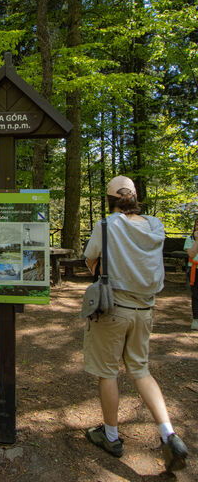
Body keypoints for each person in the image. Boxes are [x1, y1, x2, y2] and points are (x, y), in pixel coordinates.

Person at [83, 175, 188, 473]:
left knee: (107, 372)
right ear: (134, 197)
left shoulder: (106, 225)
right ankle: (168, 433)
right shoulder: (155, 225)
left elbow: (91, 259)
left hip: (113, 308)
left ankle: (111, 436)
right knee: (140, 370)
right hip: (145, 309)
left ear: (110, 199)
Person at [183, 217, 198, 330]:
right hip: (194, 269)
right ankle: (196, 319)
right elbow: (192, 254)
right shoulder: (190, 239)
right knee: (196, 295)